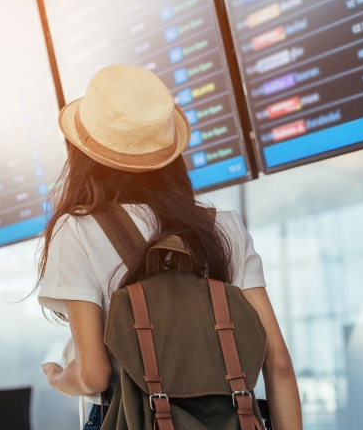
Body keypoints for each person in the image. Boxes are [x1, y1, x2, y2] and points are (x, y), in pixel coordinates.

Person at [37, 64, 302, 429]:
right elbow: (279, 364)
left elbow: (95, 375)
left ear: (85, 152)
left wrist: (58, 377)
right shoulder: (222, 226)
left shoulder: (78, 229)